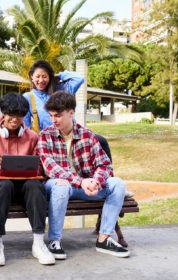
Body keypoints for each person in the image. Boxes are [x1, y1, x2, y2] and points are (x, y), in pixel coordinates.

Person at [37, 91, 130, 259]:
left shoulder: (87, 135)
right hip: (59, 186)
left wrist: (96, 181)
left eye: (57, 115)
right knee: (61, 184)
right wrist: (81, 182)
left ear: (71, 112)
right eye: (51, 116)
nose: (53, 120)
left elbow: (104, 164)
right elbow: (51, 169)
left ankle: (104, 238)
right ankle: (54, 241)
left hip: (86, 187)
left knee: (117, 184)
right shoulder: (45, 136)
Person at [0, 93, 55, 266]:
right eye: (12, 115)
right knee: (3, 184)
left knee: (35, 185)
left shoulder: (32, 136)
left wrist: (35, 169)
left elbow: (41, 164)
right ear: (3, 113)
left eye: (20, 116)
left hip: (25, 187)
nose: (16, 120)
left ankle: (39, 243)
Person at [22, 60, 113, 161]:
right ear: (31, 76)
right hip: (49, 139)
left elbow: (79, 78)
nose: (41, 80)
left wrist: (59, 75)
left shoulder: (62, 89)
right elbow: (26, 127)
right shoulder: (28, 97)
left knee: (101, 141)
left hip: (72, 135)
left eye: (44, 76)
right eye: (37, 76)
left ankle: (107, 174)